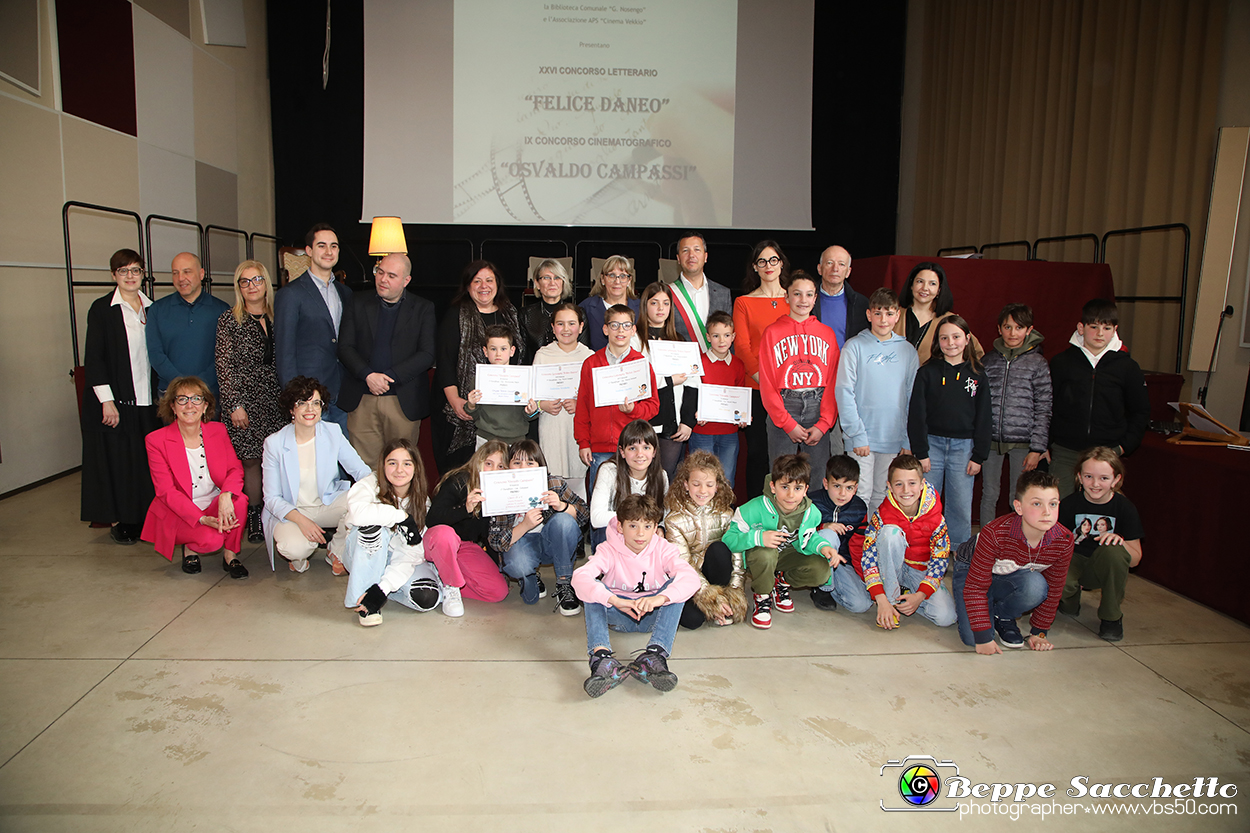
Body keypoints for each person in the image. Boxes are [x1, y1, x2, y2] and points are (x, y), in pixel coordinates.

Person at [572, 494, 701, 697]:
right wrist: (614, 600)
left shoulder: (663, 548)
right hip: (618, 614)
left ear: (655, 527)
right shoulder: (607, 550)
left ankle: (654, 656)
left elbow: (691, 578)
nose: (640, 534)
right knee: (593, 589)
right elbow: (580, 578)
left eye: (647, 526)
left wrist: (659, 599)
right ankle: (601, 658)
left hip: (653, 616)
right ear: (620, 527)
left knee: (675, 586)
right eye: (633, 526)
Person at [81, 248, 161, 545]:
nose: (130, 276)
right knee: (119, 463)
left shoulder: (153, 309)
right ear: (114, 275)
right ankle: (124, 522)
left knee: (144, 464)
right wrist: (107, 400)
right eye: (123, 271)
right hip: (117, 402)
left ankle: (145, 520)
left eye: (136, 270)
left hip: (147, 401)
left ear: (143, 274)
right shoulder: (102, 309)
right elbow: (95, 358)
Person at [953, 469, 1073, 652]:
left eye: (1053, 504)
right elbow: (976, 586)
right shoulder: (994, 533)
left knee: (1036, 586)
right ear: (1018, 507)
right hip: (971, 568)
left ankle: (1003, 615)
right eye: (1037, 504)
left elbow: (1055, 587)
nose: (1047, 512)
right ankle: (986, 605)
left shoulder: (1064, 539)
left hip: (1011, 571)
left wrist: (1039, 632)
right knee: (974, 638)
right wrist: (984, 637)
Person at [140, 376, 248, 578]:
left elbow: (235, 469)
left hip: (213, 502)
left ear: (206, 405)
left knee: (238, 500)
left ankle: (230, 555)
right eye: (182, 399)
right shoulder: (156, 440)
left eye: (196, 399)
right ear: (172, 406)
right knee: (211, 541)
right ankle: (190, 548)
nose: (189, 405)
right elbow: (166, 492)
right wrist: (202, 518)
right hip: (179, 512)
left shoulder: (218, 430)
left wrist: (225, 495)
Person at [261, 376, 371, 572]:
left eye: (315, 403)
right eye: (302, 403)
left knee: (362, 500)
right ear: (291, 409)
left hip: (326, 504)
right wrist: (303, 522)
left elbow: (360, 470)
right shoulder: (274, 443)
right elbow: (271, 498)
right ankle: (299, 558)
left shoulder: (332, 432)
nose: (310, 409)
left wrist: (379, 492)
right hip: (292, 511)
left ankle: (335, 550)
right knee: (295, 548)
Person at [337, 253, 437, 468]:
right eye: (380, 272)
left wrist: (388, 377)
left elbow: (427, 354)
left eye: (391, 275)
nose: (383, 279)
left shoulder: (423, 308)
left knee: (400, 468)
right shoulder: (357, 301)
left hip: (402, 401)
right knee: (365, 469)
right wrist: (368, 375)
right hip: (362, 398)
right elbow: (345, 347)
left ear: (406, 281)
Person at [720, 454, 839, 630]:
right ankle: (762, 596)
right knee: (766, 553)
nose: (791, 495)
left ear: (806, 489)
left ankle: (780, 583)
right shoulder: (752, 509)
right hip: (759, 559)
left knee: (822, 571)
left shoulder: (811, 512)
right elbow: (727, 540)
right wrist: (758, 537)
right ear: (773, 487)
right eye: (784, 487)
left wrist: (824, 547)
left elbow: (810, 537)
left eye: (798, 488)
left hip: (788, 556)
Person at [1048, 299, 1150, 498]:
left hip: (1107, 452)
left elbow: (1141, 411)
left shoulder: (1127, 367)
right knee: (1058, 510)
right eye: (1093, 326)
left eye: (1106, 327)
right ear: (1081, 327)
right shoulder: (1061, 363)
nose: (1100, 333)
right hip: (1065, 451)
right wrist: (1046, 443)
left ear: (1115, 330)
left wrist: (1123, 447)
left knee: (1101, 516)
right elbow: (1047, 405)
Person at [341, 439, 448, 625]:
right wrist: (401, 517)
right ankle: (367, 602)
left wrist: (383, 588)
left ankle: (379, 590)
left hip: (397, 559)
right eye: (392, 463)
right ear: (383, 465)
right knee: (373, 528)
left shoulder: (422, 502)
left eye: (407, 463)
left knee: (427, 597)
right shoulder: (370, 484)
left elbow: (411, 552)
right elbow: (357, 514)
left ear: (416, 468)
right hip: (364, 555)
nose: (399, 470)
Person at [215, 260, 284, 544]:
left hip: (276, 399)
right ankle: (254, 516)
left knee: (276, 461)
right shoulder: (229, 320)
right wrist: (234, 404)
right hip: (245, 402)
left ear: (265, 283)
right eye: (245, 281)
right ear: (238, 287)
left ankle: (275, 513)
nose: (251, 286)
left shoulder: (278, 316)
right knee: (251, 461)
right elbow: (224, 366)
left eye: (256, 280)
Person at [906, 315, 990, 550]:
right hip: (931, 447)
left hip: (964, 449)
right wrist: (920, 451)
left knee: (960, 505)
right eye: (944, 338)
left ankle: (959, 553)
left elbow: (985, 418)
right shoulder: (927, 372)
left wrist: (979, 455)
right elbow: (917, 414)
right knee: (926, 502)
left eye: (956, 337)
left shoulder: (978, 375)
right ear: (937, 341)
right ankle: (924, 550)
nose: (950, 342)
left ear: (967, 339)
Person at [834, 288, 919, 515]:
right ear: (869, 315)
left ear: (898, 315)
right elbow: (844, 391)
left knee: (883, 495)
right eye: (878, 313)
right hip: (862, 439)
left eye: (889, 314)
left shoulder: (908, 351)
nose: (884, 319)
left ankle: (876, 544)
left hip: (893, 438)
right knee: (860, 493)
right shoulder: (854, 347)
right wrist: (856, 434)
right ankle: (856, 545)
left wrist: (907, 438)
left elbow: (912, 397)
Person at [434, 260, 524, 472]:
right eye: (477, 281)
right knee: (467, 472)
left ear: (497, 284)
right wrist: (455, 400)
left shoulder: (510, 313)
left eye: (489, 280)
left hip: (505, 414)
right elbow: (445, 360)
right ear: (468, 285)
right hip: (463, 409)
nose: (484, 286)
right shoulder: (456, 314)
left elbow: (521, 357)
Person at [758, 270, 840, 482]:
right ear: (787, 296)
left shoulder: (827, 334)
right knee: (781, 476)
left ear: (815, 298)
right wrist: (787, 423)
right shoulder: (772, 332)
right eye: (797, 294)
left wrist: (824, 424)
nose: (803, 300)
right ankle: (780, 516)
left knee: (815, 477)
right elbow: (767, 384)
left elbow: (833, 382)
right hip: (784, 406)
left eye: (809, 294)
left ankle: (811, 517)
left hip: (817, 405)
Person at [489, 440, 589, 612]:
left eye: (530, 462)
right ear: (508, 466)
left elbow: (584, 514)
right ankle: (528, 577)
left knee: (563, 521)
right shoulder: (500, 490)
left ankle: (564, 583)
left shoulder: (554, 484)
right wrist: (525, 525)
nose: (523, 468)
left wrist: (562, 506)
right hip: (522, 544)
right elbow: (496, 541)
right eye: (517, 463)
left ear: (540, 465)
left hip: (553, 543)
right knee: (520, 570)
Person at [574, 304, 660, 504]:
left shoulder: (641, 364)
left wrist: (634, 410)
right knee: (601, 506)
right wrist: (584, 442)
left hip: (632, 449)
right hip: (600, 448)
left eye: (625, 325)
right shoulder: (591, 363)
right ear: (605, 329)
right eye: (614, 325)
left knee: (632, 507)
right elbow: (583, 408)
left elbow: (654, 406)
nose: (620, 330)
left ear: (633, 330)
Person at [860, 454, 957, 630]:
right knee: (890, 533)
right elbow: (868, 557)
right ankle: (890, 601)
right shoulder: (881, 515)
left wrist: (920, 595)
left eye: (912, 483)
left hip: (920, 570)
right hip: (890, 569)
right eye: (899, 484)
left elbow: (940, 559)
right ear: (889, 486)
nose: (906, 490)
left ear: (921, 485)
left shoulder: (936, 518)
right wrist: (880, 598)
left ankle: (906, 595)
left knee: (947, 617)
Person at [1057, 446, 1144, 642]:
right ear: (1079, 477)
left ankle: (1111, 617)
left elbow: (1136, 560)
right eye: (1088, 476)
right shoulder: (1069, 504)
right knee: (1060, 584)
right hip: (1074, 560)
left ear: (1116, 480)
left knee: (1113, 549)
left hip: (1103, 565)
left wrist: (1120, 543)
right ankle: (1069, 598)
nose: (1095, 484)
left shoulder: (1125, 508)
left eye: (1104, 478)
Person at [275, 224, 353, 433]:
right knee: (313, 461)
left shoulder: (345, 293)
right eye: (322, 246)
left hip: (342, 392)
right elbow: (284, 352)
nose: (329, 252)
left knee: (341, 458)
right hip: (309, 396)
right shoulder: (290, 294)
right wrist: (296, 397)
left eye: (334, 246)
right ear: (309, 251)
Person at [979, 303, 1052, 525]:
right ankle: (985, 542)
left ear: (1029, 330)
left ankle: (1016, 544)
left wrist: (1037, 448)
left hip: (1023, 443)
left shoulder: (1038, 363)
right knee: (989, 494)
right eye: (1007, 327)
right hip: (991, 440)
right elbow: (979, 404)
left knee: (1018, 497)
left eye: (1019, 328)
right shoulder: (988, 361)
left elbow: (1044, 406)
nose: (1013, 333)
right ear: (999, 329)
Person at [733, 240, 791, 498]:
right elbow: (743, 348)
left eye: (773, 260)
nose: (768, 266)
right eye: (762, 261)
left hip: (791, 389)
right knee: (757, 452)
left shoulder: (795, 298)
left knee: (787, 455)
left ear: (781, 263)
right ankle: (757, 510)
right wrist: (767, 383)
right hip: (756, 389)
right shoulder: (744, 302)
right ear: (755, 267)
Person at [423, 441, 512, 608]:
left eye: (501, 466)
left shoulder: (498, 493)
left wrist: (497, 570)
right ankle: (451, 583)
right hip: (439, 542)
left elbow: (488, 536)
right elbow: (432, 519)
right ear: (478, 462)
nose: (493, 470)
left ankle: (442, 583)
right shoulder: (459, 480)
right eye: (488, 464)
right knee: (446, 535)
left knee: (499, 592)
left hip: (464, 547)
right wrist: (466, 508)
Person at [664, 451, 745, 628]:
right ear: (686, 485)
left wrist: (733, 593)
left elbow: (737, 558)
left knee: (720, 549)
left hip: (715, 572)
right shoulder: (674, 520)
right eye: (696, 484)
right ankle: (716, 608)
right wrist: (710, 598)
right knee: (692, 621)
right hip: (688, 577)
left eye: (709, 485)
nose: (702, 491)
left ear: (717, 486)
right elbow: (683, 563)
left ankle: (723, 607)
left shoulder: (726, 514)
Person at [633, 281, 696, 481]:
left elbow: (692, 383)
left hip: (673, 422)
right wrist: (669, 380)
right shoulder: (634, 339)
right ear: (645, 306)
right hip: (644, 421)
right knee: (641, 478)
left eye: (666, 303)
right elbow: (637, 380)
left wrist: (688, 421)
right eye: (654, 303)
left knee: (666, 479)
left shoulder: (679, 340)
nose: (661, 308)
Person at [147, 252, 230, 399]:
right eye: (175, 273)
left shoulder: (222, 310)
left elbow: (225, 356)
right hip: (169, 394)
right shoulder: (157, 310)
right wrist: (181, 384)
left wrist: (197, 385)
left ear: (201, 274)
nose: (181, 278)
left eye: (187, 272)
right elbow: (155, 353)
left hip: (209, 393)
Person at [813, 244, 870, 457]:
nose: (835, 268)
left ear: (848, 271)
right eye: (829, 263)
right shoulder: (805, 300)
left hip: (847, 383)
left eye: (841, 264)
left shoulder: (862, 304)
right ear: (819, 268)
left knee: (840, 452)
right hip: (813, 384)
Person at [533, 303, 594, 499]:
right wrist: (543, 405)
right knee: (552, 485)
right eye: (560, 323)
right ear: (552, 327)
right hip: (551, 426)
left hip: (577, 430)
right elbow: (531, 398)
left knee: (578, 490)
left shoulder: (590, 357)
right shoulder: (542, 355)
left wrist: (579, 405)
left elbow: (597, 401)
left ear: (581, 327)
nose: (566, 329)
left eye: (572, 323)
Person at [686, 311, 748, 484]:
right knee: (701, 478)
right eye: (716, 335)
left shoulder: (738, 365)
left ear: (733, 336)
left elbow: (740, 394)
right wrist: (696, 413)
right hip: (702, 432)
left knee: (726, 479)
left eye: (727, 335)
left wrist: (742, 416)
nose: (722, 341)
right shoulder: (698, 363)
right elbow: (691, 395)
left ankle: (723, 511)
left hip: (729, 432)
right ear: (708, 337)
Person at [589, 420, 669, 553]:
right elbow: (596, 518)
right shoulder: (609, 471)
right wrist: (636, 522)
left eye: (646, 447)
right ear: (622, 451)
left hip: (644, 537)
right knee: (606, 530)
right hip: (615, 536)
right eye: (632, 448)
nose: (640, 454)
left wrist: (661, 528)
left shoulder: (661, 476)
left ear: (654, 452)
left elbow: (665, 515)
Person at [807, 455, 872, 614]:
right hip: (811, 556)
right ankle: (822, 587)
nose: (842, 493)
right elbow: (797, 533)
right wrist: (823, 526)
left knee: (861, 605)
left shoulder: (859, 508)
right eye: (837, 486)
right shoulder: (811, 502)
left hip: (841, 561)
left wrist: (863, 578)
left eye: (849, 488)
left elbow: (858, 547)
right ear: (825, 483)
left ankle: (832, 583)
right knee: (828, 535)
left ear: (856, 488)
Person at [894, 261, 983, 364]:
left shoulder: (950, 320)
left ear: (939, 290)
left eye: (932, 284)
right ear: (911, 285)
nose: (925, 288)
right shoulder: (892, 315)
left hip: (933, 379)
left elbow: (977, 353)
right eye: (920, 281)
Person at [464, 325, 540, 446]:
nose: (498, 354)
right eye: (493, 349)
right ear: (485, 351)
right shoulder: (478, 379)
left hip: (516, 439)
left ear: (512, 351)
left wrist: (531, 411)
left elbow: (531, 415)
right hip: (485, 438)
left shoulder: (524, 379)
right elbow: (474, 415)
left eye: (503, 349)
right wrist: (471, 405)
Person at [668, 232, 732, 350]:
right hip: (681, 365)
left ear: (706, 256)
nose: (691, 255)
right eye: (685, 251)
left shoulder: (723, 293)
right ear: (678, 258)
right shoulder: (667, 294)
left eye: (697, 250)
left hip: (716, 365)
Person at [579, 255, 640, 351]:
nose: (617, 281)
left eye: (623, 276)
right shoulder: (586, 308)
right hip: (598, 364)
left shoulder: (641, 308)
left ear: (629, 280)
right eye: (611, 275)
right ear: (603, 279)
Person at [519, 259, 575, 361]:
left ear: (563, 282)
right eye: (546, 278)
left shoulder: (577, 314)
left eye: (557, 278)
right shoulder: (525, 315)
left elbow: (582, 350)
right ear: (537, 283)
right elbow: (522, 355)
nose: (552, 283)